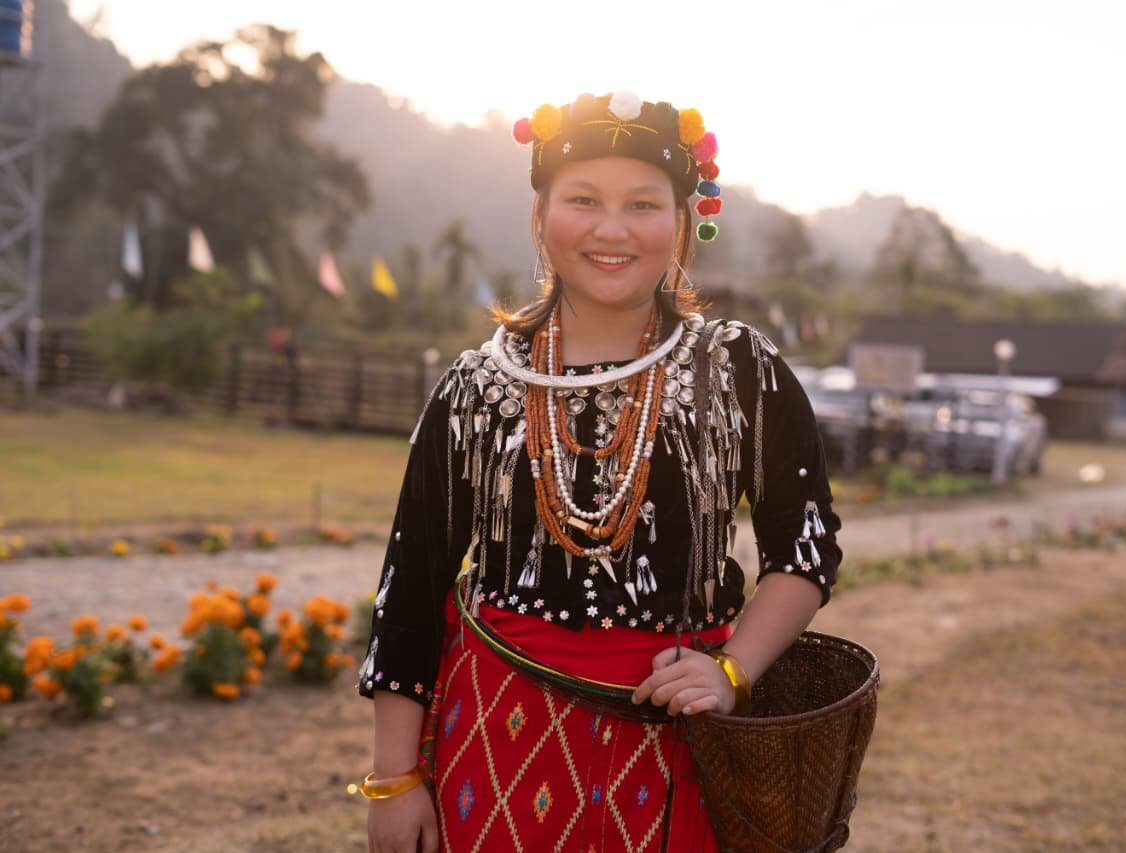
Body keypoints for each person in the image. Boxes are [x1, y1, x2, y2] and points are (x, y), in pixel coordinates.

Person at [356, 91, 842, 852]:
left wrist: (732, 672)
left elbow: (805, 552)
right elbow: (411, 586)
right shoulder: (476, 385)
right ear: (540, 217)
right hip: (495, 737)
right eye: (583, 199)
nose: (611, 229)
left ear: (681, 223)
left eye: (642, 204)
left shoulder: (740, 369)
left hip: (682, 742)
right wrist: (393, 777)